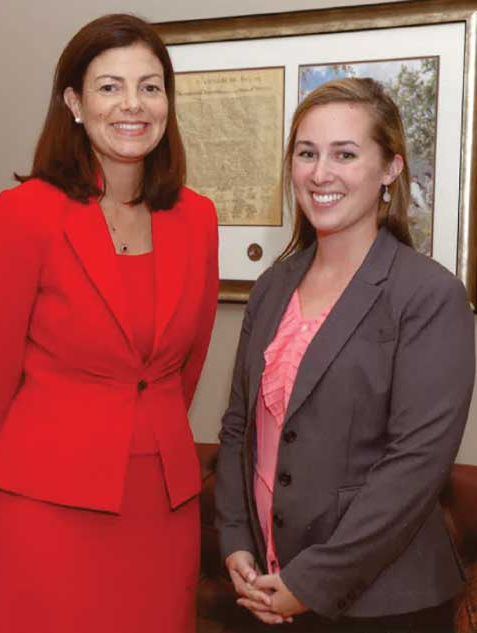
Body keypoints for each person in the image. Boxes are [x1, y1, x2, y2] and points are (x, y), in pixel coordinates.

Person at [0, 13, 218, 633]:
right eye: (110, 87)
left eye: (151, 86)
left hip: (163, 507)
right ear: (74, 103)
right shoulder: (24, 212)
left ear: (167, 100)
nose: (132, 105)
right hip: (48, 504)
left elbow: (185, 369)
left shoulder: (197, 218)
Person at [215, 77, 475, 632]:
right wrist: (236, 539)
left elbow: (415, 466)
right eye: (307, 153)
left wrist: (311, 584)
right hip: (261, 588)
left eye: (345, 154)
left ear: (390, 170)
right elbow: (240, 428)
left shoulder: (428, 295)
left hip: (382, 605)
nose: (319, 173)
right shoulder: (273, 286)